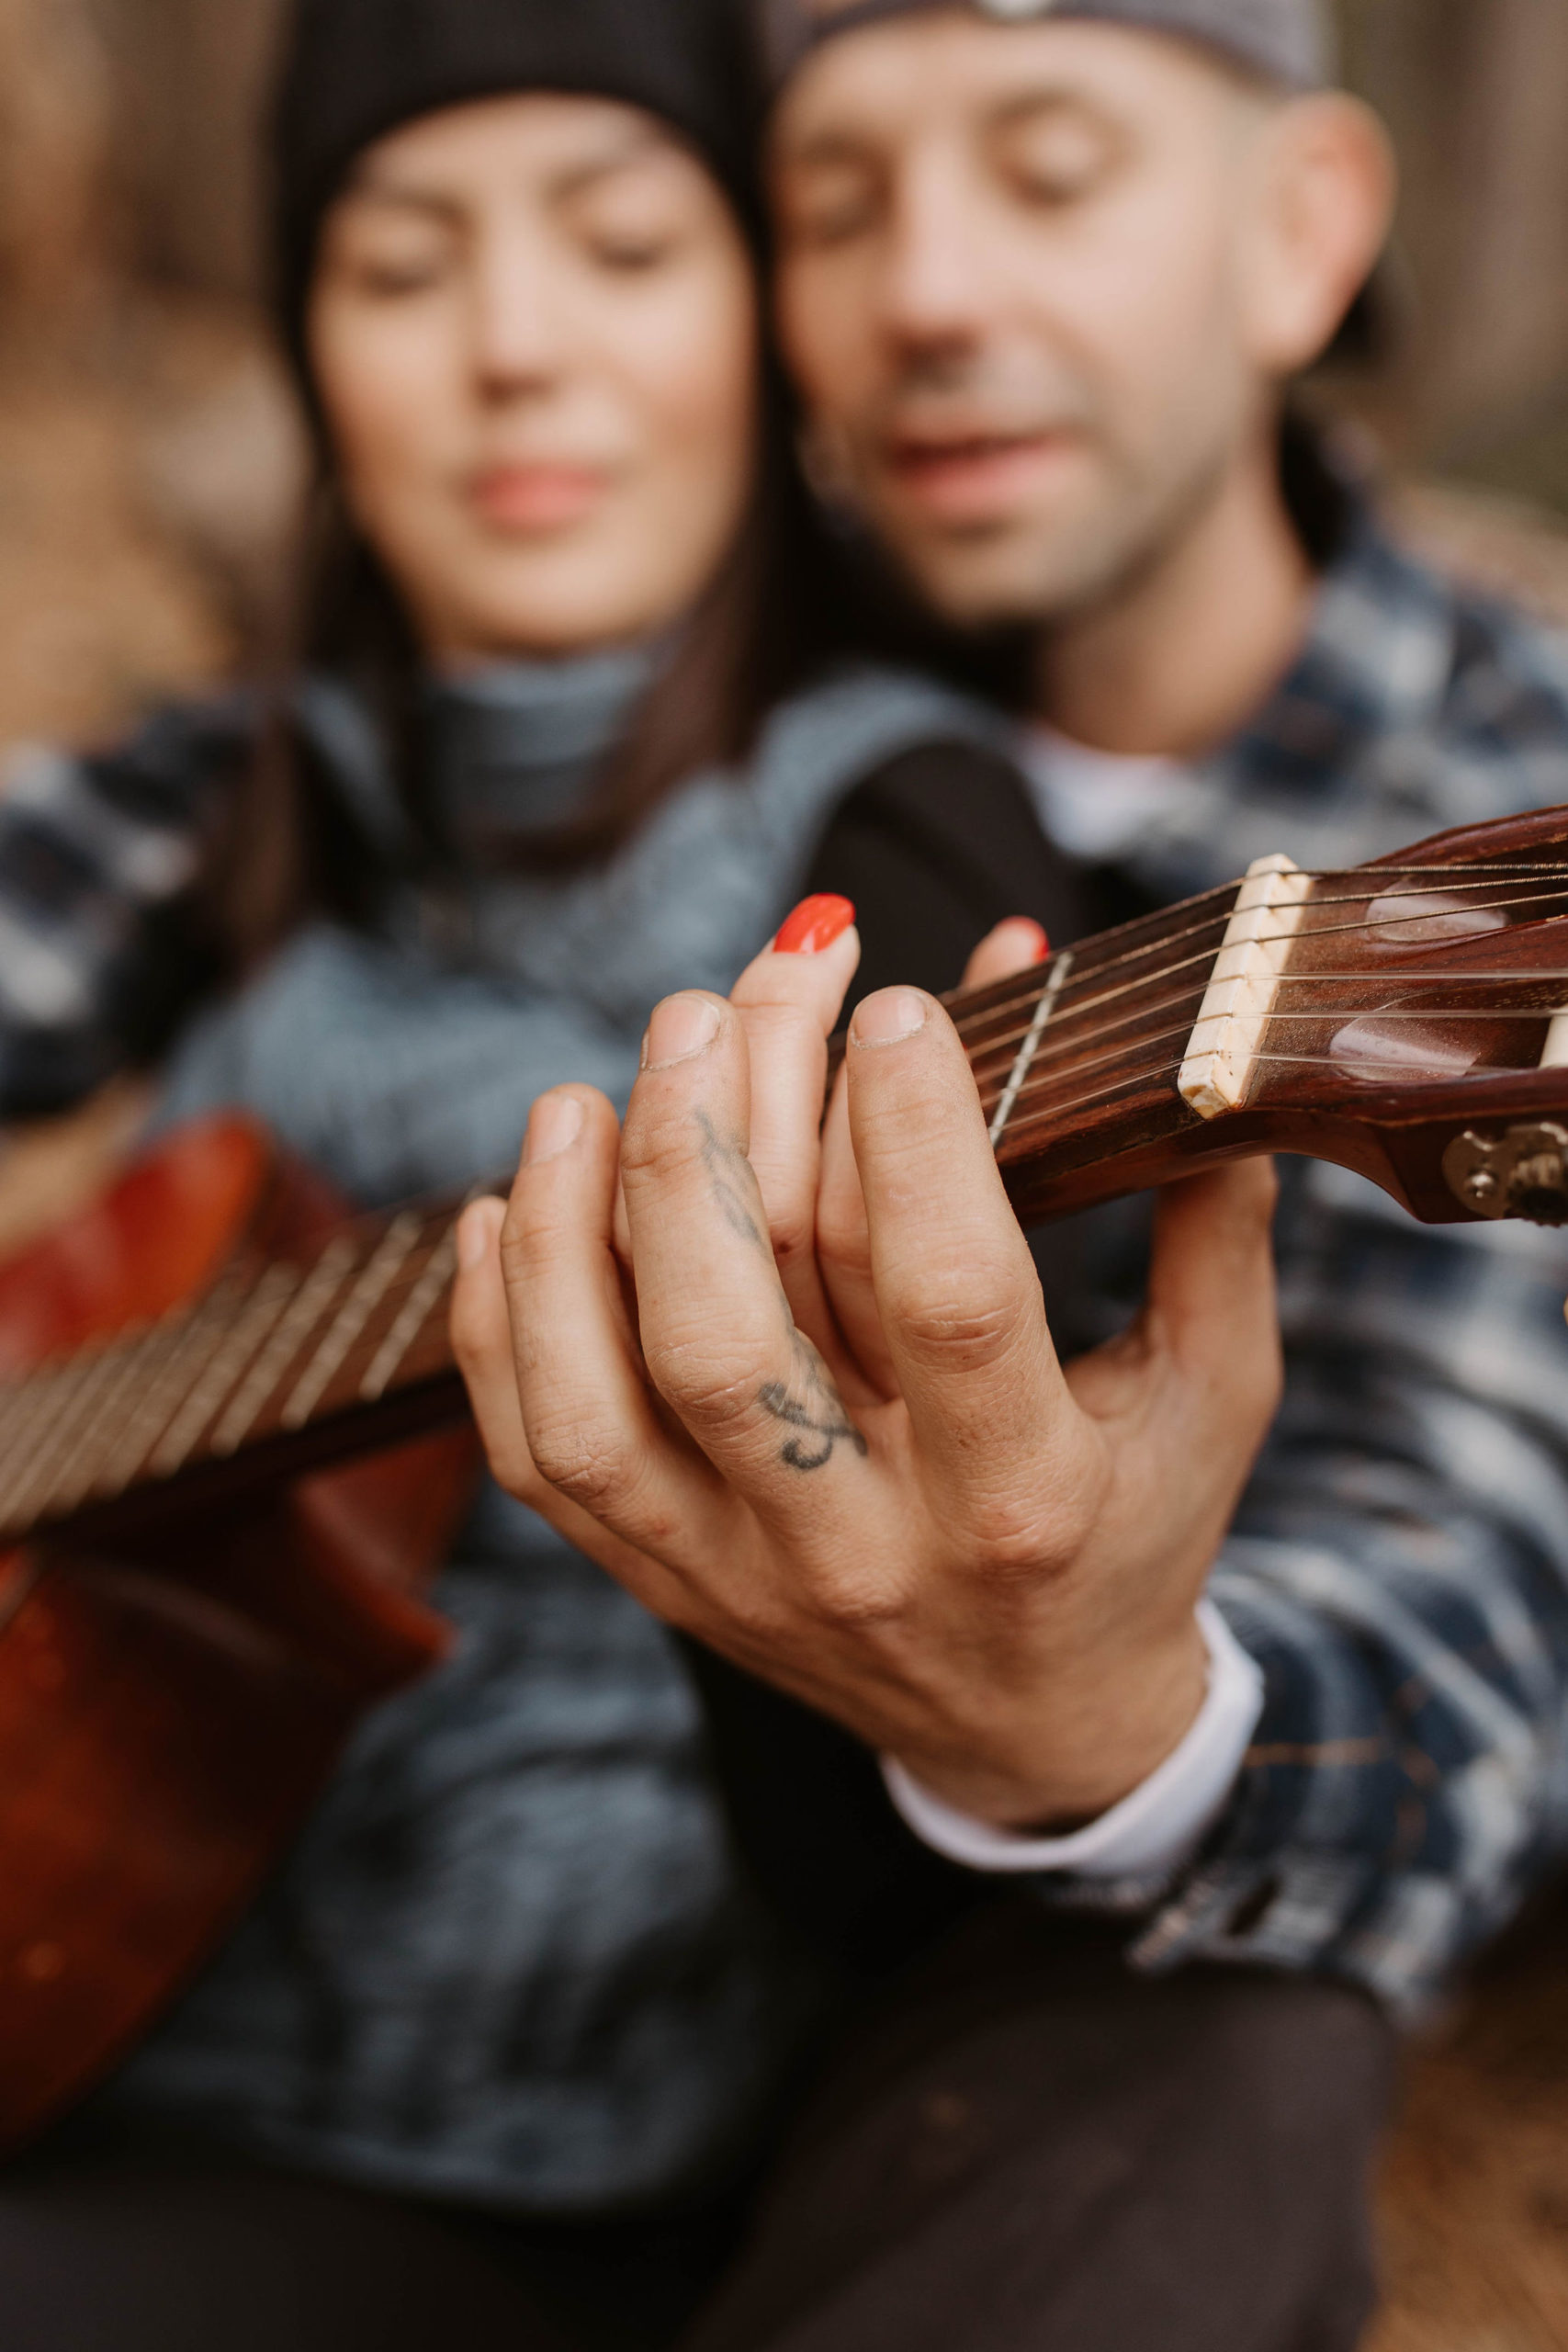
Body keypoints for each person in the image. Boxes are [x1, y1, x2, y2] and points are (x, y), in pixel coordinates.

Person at [447, 0, 1568, 2344]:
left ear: (1298, 235)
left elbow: (1470, 1584)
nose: (928, 290)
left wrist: (1113, 1733)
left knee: (1223, 2055)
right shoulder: (657, 654)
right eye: (836, 202)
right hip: (457, 1948)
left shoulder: (1499, 800)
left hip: (1021, 2016)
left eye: (1048, 169)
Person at [0, 0, 1081, 2345]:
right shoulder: (251, 791)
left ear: (768, 331)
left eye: (616, 247)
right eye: (400, 270)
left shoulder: (900, 840)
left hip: (498, 2159)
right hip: (72, 1999)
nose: (510, 349)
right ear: (309, 361)